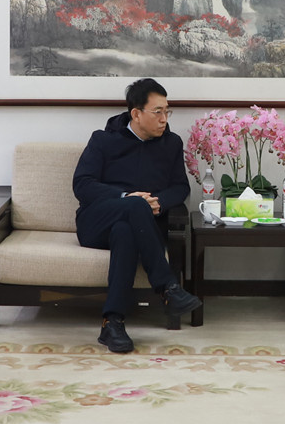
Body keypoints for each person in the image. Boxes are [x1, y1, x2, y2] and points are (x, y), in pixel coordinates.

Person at [73, 78, 202, 353]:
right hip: (96, 222)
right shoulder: (103, 140)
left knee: (126, 231)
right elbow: (82, 184)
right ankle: (167, 287)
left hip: (141, 227)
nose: (164, 119)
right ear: (136, 113)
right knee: (134, 205)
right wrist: (125, 197)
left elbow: (180, 187)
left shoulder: (171, 144)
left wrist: (157, 203)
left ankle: (112, 323)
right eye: (158, 112)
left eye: (167, 111)